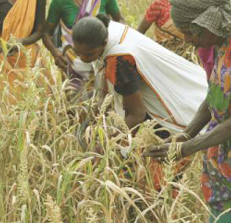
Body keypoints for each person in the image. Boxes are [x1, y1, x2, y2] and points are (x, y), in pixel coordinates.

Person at [146, 0, 231, 223]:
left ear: (211, 22)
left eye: (192, 32)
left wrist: (185, 148)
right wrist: (187, 133)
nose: (189, 40)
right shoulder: (210, 46)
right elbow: (212, 96)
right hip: (222, 157)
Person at [72, 14, 208, 136]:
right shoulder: (106, 29)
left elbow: (137, 114)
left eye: (89, 54)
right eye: (78, 53)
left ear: (104, 43)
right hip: (182, 81)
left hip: (175, 96)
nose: (83, 58)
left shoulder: (120, 60)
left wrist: (107, 146)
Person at [44, 0, 125, 88]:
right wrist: (56, 53)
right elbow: (45, 32)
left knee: (105, 103)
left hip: (103, 59)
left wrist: (116, 44)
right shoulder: (59, 0)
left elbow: (120, 21)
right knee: (75, 105)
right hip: (72, 62)